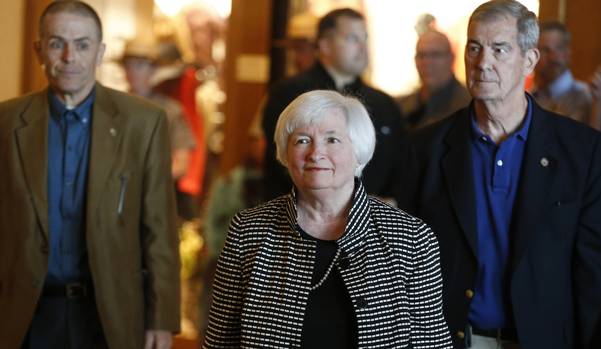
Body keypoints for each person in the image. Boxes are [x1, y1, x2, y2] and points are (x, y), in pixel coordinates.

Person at [397, 1, 601, 348]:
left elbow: (595, 270)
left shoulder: (582, 150)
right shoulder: (424, 148)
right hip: (453, 340)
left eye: (499, 49)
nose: (483, 62)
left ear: (529, 60)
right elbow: (404, 262)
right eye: (475, 47)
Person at [203, 90, 452, 348]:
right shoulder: (248, 231)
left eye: (332, 139)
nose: (315, 153)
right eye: (301, 140)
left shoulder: (411, 239)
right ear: (286, 153)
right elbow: (220, 342)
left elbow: (431, 344)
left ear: (358, 150)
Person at [0, 1, 180, 348]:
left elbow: (159, 229)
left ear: (99, 52)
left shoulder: (143, 123)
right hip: (24, 313)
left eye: (82, 45)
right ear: (39, 49)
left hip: (107, 313)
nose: (70, 57)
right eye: (57, 43)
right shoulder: (6, 123)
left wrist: (162, 319)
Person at [261, 8, 406, 203]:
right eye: (353, 39)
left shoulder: (384, 104)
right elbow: (278, 161)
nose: (363, 47)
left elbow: (399, 165)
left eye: (365, 39)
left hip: (372, 220)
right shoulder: (289, 94)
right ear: (325, 45)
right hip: (300, 217)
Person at [121, 37, 196, 181]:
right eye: (128, 65)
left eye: (140, 65)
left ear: (153, 69)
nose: (132, 71)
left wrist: (147, 180)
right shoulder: (113, 106)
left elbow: (181, 164)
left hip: (154, 190)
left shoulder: (171, 110)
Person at [532, 21, 601, 132]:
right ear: (533, 55)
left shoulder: (590, 96)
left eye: (559, 48)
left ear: (569, 52)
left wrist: (600, 102)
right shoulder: (527, 98)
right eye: (545, 50)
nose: (553, 57)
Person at [398, 30, 470, 131]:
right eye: (421, 55)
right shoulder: (402, 107)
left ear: (451, 58)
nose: (427, 62)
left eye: (435, 55)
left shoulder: (469, 107)